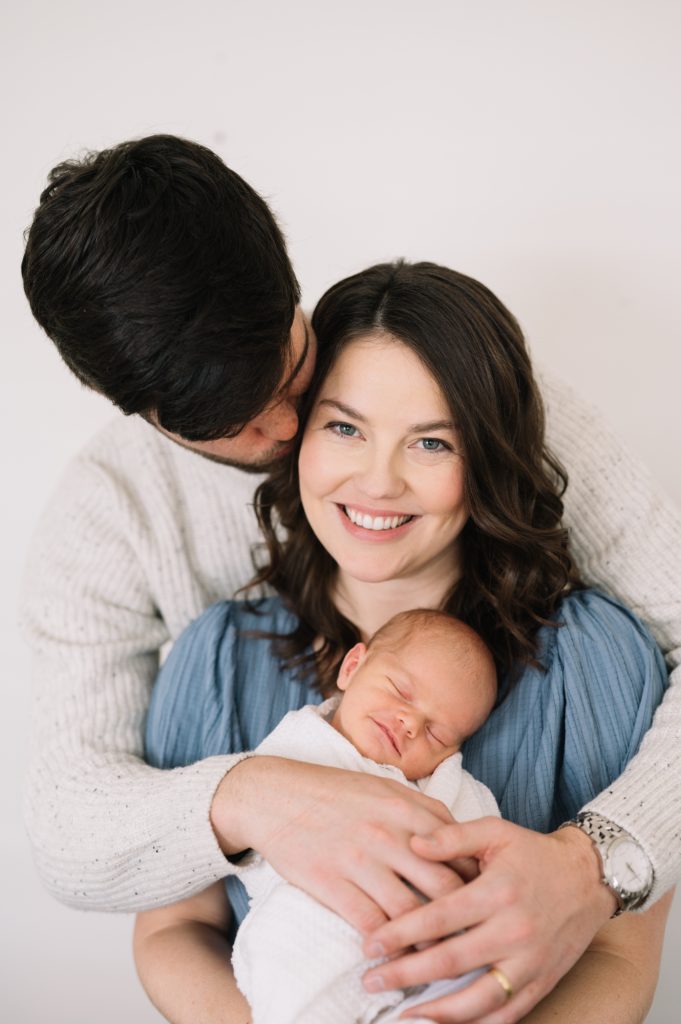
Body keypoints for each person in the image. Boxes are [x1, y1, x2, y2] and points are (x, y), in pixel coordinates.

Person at [20, 135, 680, 1021]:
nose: (294, 430)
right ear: (152, 419)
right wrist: (261, 796)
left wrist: (597, 860)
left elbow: (618, 952)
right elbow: (75, 833)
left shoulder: (467, 393)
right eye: (250, 424)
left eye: (295, 374)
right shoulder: (152, 566)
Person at [129, 260, 669, 1024]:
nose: (378, 482)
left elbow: (620, 957)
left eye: (431, 444)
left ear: (483, 459)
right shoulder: (218, 657)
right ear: (293, 435)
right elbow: (173, 928)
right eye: (344, 427)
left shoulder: (591, 657)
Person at [136, 608, 500, 1024]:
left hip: (414, 952)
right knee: (291, 967)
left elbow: (483, 848)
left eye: (437, 733)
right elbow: (253, 841)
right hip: (306, 920)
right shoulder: (297, 747)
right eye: (400, 691)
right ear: (352, 666)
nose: (410, 724)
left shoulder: (443, 787)